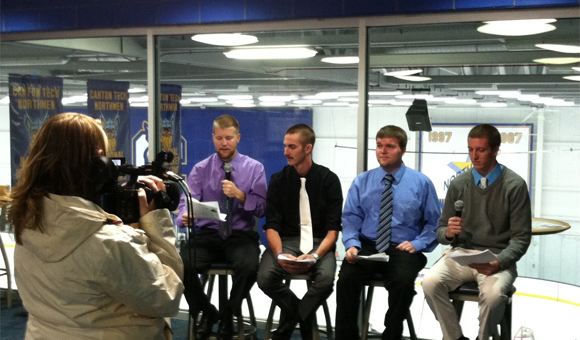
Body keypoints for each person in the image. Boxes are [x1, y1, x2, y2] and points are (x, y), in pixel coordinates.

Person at [7, 112, 184, 340]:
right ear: (99, 164)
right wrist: (156, 222)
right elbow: (166, 297)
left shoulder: (26, 222)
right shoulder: (110, 243)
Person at [422, 124, 532, 340]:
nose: (474, 155)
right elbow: (441, 232)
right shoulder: (459, 184)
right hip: (461, 255)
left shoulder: (514, 185)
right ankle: (454, 337)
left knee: (493, 297)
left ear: (495, 150)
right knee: (429, 283)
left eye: (480, 150)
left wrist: (499, 262)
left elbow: (521, 238)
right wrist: (449, 233)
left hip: (497, 258)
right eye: (470, 149)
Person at [335, 125, 440, 340]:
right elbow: (351, 218)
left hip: (403, 247)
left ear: (402, 149)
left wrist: (418, 244)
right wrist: (352, 244)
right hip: (367, 244)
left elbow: (434, 224)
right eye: (379, 146)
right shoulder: (362, 181)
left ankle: (391, 335)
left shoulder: (421, 183)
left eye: (390, 146)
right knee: (346, 279)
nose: (383, 151)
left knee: (402, 282)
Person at [175, 114, 267, 340]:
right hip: (208, 234)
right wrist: (185, 216)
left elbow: (263, 208)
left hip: (240, 234)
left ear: (238, 138)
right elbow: (186, 203)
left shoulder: (254, 168)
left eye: (229, 138)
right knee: (180, 263)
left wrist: (242, 196)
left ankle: (228, 315)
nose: (224, 143)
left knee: (249, 267)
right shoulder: (201, 169)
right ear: (213, 138)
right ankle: (207, 312)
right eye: (219, 138)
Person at [257, 124, 343, 340]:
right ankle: (302, 315)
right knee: (265, 278)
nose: (286, 151)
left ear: (308, 148)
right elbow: (272, 227)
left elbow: (333, 232)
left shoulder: (329, 180)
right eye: (285, 146)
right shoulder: (278, 180)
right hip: (285, 241)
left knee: (325, 280)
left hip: (319, 243)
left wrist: (315, 256)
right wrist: (278, 255)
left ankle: (291, 322)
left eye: (292, 147)